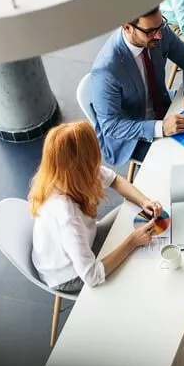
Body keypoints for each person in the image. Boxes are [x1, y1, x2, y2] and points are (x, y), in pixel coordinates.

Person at [30, 122, 163, 293]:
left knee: (131, 215)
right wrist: (132, 242)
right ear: (80, 164)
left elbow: (115, 179)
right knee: (134, 260)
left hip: (84, 242)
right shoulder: (65, 213)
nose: (97, 159)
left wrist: (144, 201)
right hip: (68, 275)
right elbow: (92, 276)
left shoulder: (65, 174)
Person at [90, 7, 184, 167]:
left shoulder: (158, 30)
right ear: (127, 27)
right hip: (133, 138)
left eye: (160, 27)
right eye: (150, 32)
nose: (158, 35)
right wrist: (160, 128)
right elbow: (111, 126)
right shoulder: (106, 70)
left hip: (164, 108)